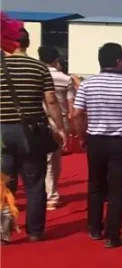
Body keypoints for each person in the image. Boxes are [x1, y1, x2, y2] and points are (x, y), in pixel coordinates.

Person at [71, 43, 122, 248]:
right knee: (117, 189)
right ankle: (112, 236)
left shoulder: (87, 85)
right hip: (120, 142)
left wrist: (82, 137)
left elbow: (77, 113)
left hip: (95, 140)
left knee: (95, 185)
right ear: (118, 61)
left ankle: (94, 228)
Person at [0, 20, 66, 241]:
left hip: (2, 132)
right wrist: (60, 128)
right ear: (27, 43)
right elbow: (51, 101)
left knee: (3, 183)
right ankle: (35, 231)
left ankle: (4, 230)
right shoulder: (39, 68)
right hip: (31, 132)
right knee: (35, 183)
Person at [38, 46, 75, 210]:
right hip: (60, 120)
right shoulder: (65, 79)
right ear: (56, 60)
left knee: (42, 160)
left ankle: (45, 193)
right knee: (54, 160)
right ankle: (51, 195)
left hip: (39, 120)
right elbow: (71, 103)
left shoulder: (36, 75)